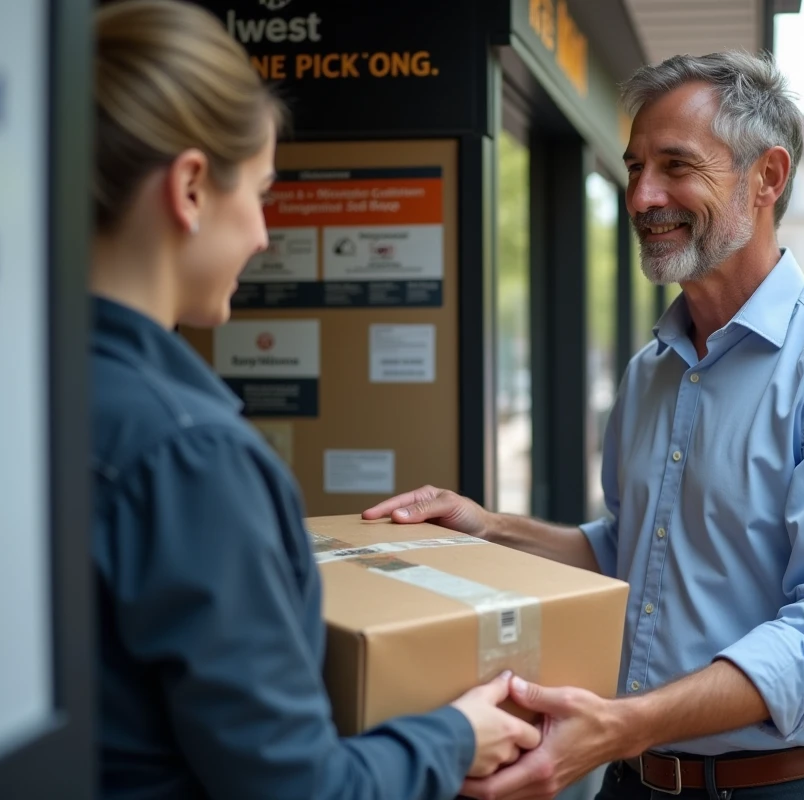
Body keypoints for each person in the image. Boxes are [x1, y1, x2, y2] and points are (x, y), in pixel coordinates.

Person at [364, 50, 804, 800]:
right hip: (633, 780)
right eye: (634, 166)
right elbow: (631, 551)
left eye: (676, 165)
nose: (642, 195)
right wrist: (488, 529)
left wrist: (624, 724)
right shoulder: (652, 370)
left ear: (767, 177)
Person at [88, 2, 539, 798]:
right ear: (190, 187)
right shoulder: (189, 455)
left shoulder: (35, 399)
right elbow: (297, 786)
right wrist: (453, 737)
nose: (264, 234)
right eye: (260, 192)